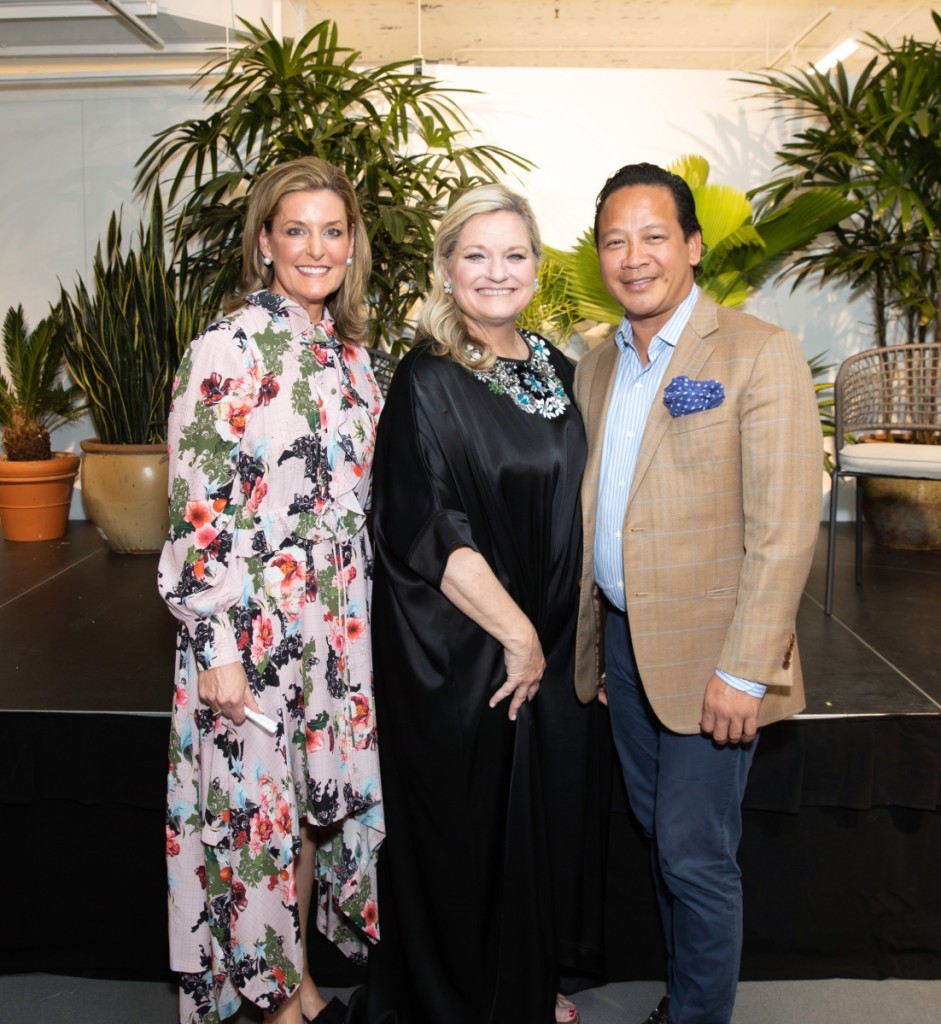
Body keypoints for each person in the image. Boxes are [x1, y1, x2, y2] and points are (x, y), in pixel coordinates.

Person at [349, 184, 607, 1024]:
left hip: (547, 631)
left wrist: (580, 635)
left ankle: (525, 982)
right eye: (476, 255)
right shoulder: (426, 378)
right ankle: (469, 1000)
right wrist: (516, 633)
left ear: (537, 266)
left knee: (533, 815)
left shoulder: (553, 365)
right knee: (472, 827)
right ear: (445, 268)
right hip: (464, 646)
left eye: (515, 254)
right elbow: (422, 525)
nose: (497, 273)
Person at [573, 163, 821, 1024]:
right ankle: (685, 1000)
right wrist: (603, 649)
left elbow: (785, 525)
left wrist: (746, 671)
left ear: (691, 245)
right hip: (629, 656)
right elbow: (608, 512)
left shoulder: (757, 352)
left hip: (714, 661)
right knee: (664, 841)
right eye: (614, 239)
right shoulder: (598, 365)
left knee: (693, 856)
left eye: (651, 236)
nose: (632, 256)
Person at [158, 157, 385, 1024]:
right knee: (256, 820)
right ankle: (280, 1008)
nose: (316, 247)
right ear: (264, 242)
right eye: (296, 229)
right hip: (250, 630)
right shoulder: (230, 345)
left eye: (333, 230)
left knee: (299, 821)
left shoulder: (353, 352)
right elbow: (197, 506)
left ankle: (296, 989)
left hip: (332, 627)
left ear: (352, 243)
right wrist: (214, 647)